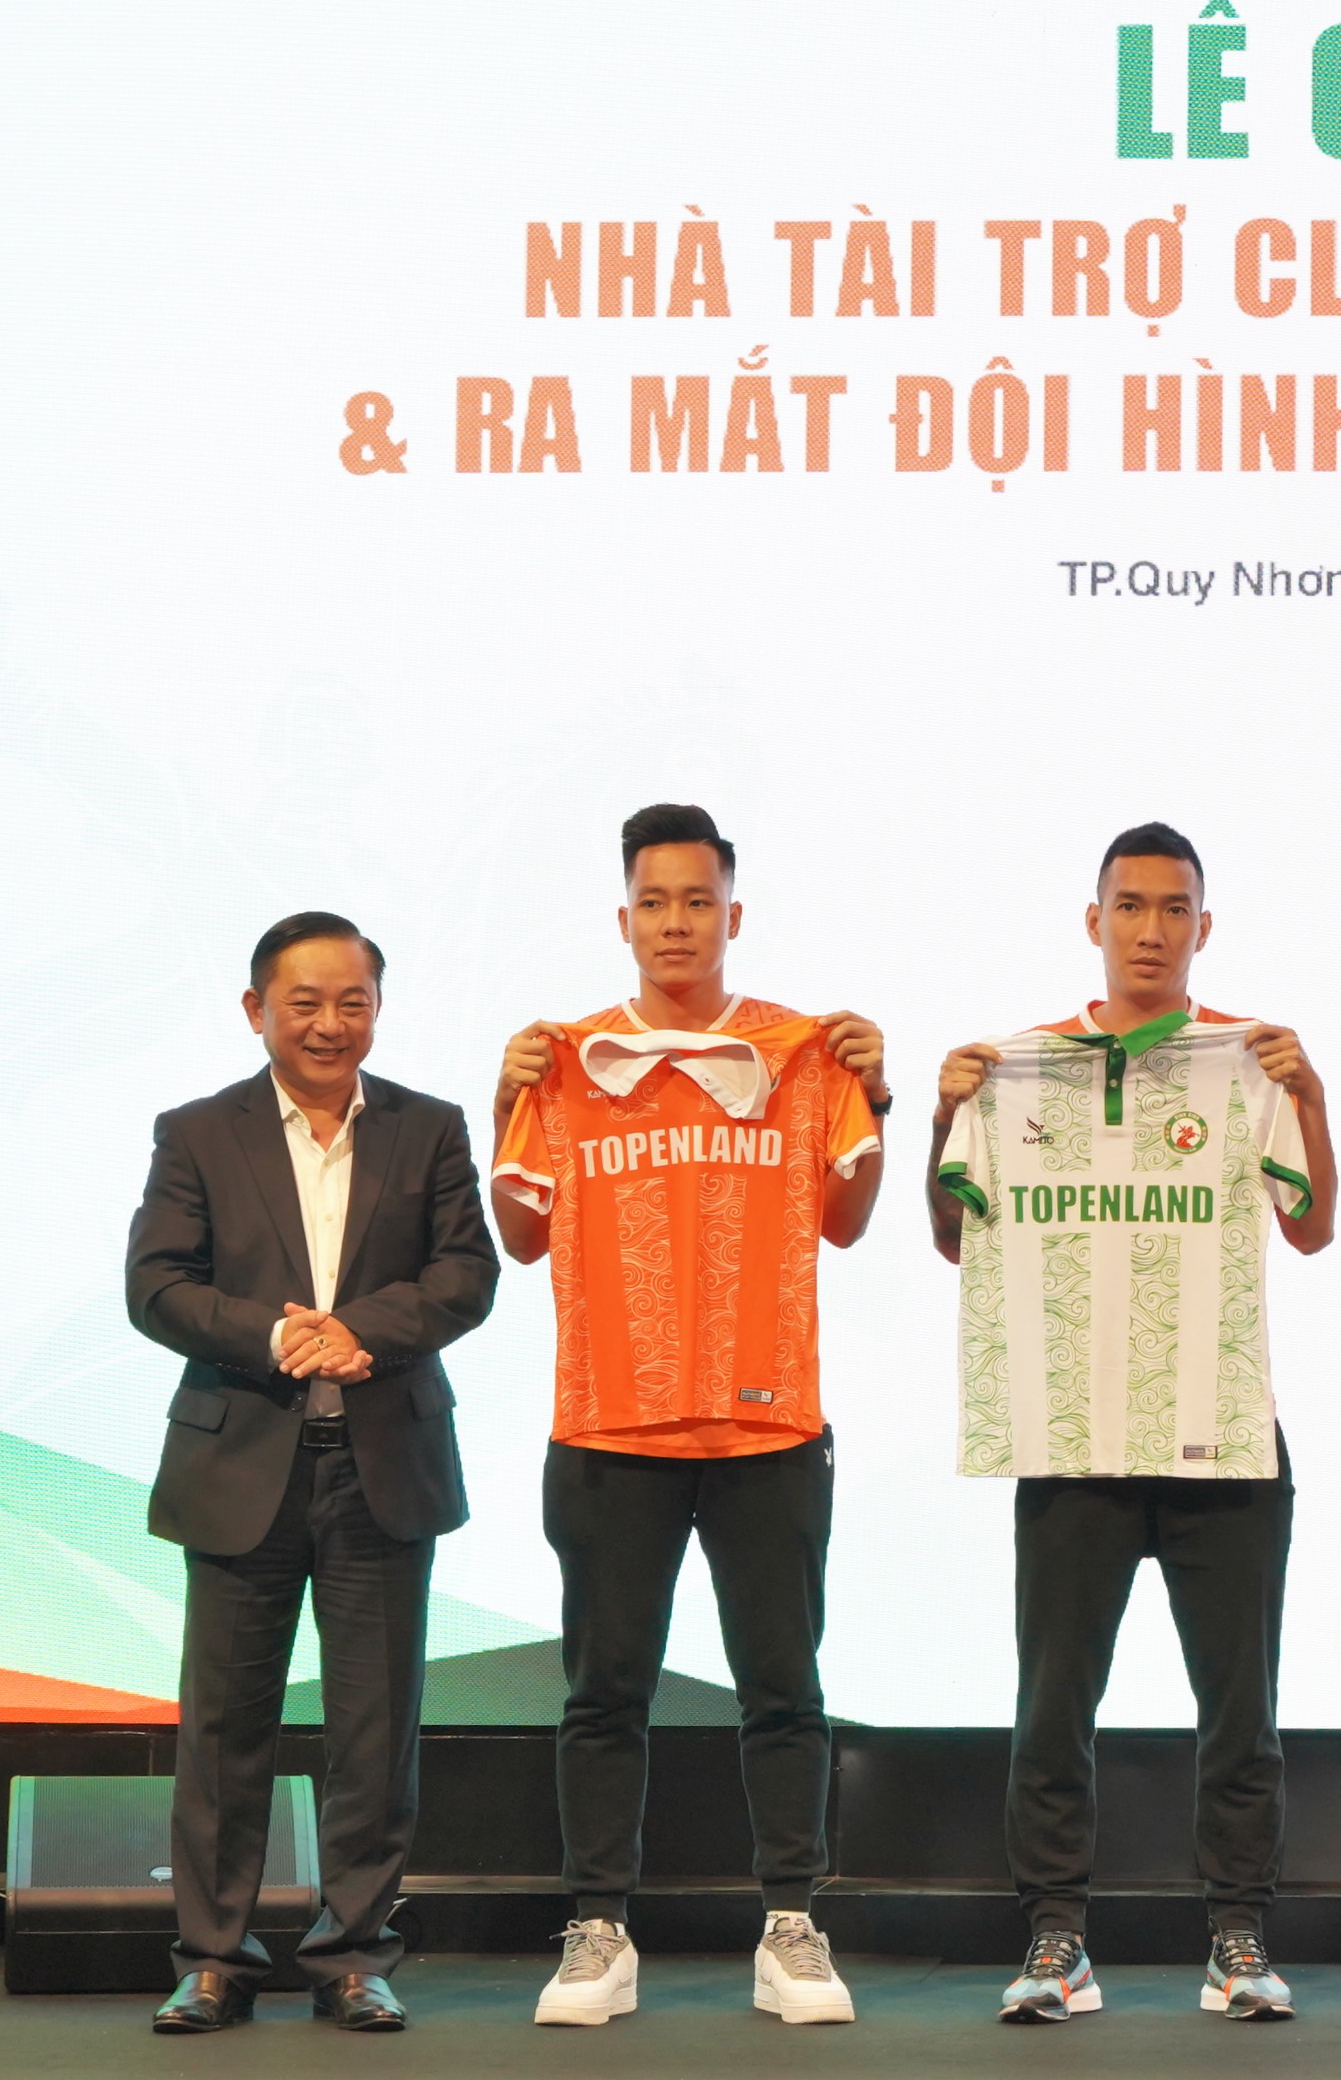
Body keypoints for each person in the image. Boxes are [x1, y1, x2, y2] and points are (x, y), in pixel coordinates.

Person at [925, 822, 1339, 2025]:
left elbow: (1312, 1230)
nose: (1150, 930)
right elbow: (955, 1239)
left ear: (1203, 926)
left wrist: (1312, 1096)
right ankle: (1057, 1940)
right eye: (1130, 906)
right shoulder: (1015, 1066)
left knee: (1241, 1712)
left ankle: (1239, 1940)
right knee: (1053, 1710)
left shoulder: (1251, 1060)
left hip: (1223, 1433)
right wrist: (939, 1121)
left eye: (1173, 909)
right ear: (1093, 920)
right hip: (1068, 1438)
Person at [487, 804, 891, 2028]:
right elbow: (521, 1238)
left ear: (732, 914)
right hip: (610, 1425)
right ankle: (598, 1932)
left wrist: (876, 1096)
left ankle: (792, 1925)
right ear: (624, 919)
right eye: (654, 902)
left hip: (769, 1426)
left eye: (698, 901)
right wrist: (497, 1102)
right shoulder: (567, 1058)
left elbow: (846, 1221)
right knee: (603, 1694)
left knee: (784, 1687)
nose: (676, 923)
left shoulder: (803, 1051)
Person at [127, 912, 499, 2035]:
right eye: (306, 1003)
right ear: (257, 1010)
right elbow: (157, 1285)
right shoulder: (200, 1131)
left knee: (374, 1733)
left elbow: (467, 1273)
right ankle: (213, 1959)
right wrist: (277, 1334)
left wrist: (361, 1330)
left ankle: (352, 1957)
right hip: (242, 1461)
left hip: (382, 1464)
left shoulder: (429, 1128)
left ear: (377, 1009)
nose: (331, 1023)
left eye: (353, 1002)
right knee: (223, 1729)